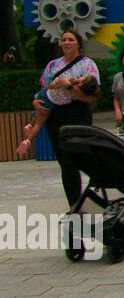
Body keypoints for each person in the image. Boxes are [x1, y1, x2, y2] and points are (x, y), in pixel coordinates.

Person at [15, 30, 100, 205]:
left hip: (78, 115)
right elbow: (45, 91)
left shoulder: (87, 65)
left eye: (71, 39)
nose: (67, 42)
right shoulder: (52, 65)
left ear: (78, 43)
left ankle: (92, 201)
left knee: (80, 159)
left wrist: (68, 86)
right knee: (66, 163)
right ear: (60, 44)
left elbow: (90, 97)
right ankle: (74, 205)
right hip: (56, 116)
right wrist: (36, 103)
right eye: (64, 40)